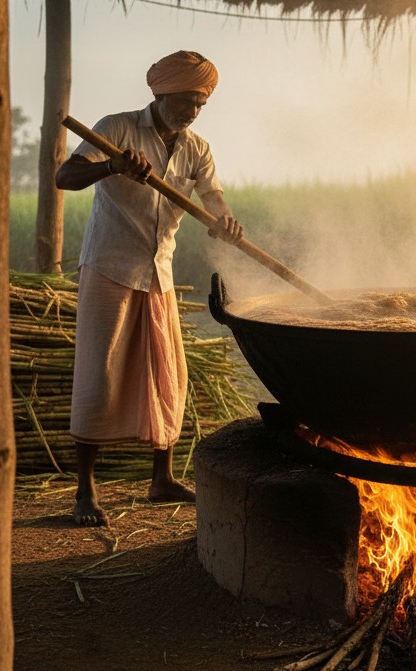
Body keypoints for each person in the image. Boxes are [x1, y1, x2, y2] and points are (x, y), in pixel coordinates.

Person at [56, 51, 243, 526]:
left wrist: (223, 219)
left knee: (167, 371)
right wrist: (113, 166)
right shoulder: (116, 129)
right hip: (110, 268)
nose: (193, 110)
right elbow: (65, 176)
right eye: (185, 100)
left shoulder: (197, 148)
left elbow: (212, 195)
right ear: (160, 93)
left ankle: (161, 480)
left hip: (157, 270)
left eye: (200, 103)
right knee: (99, 374)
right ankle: (85, 491)